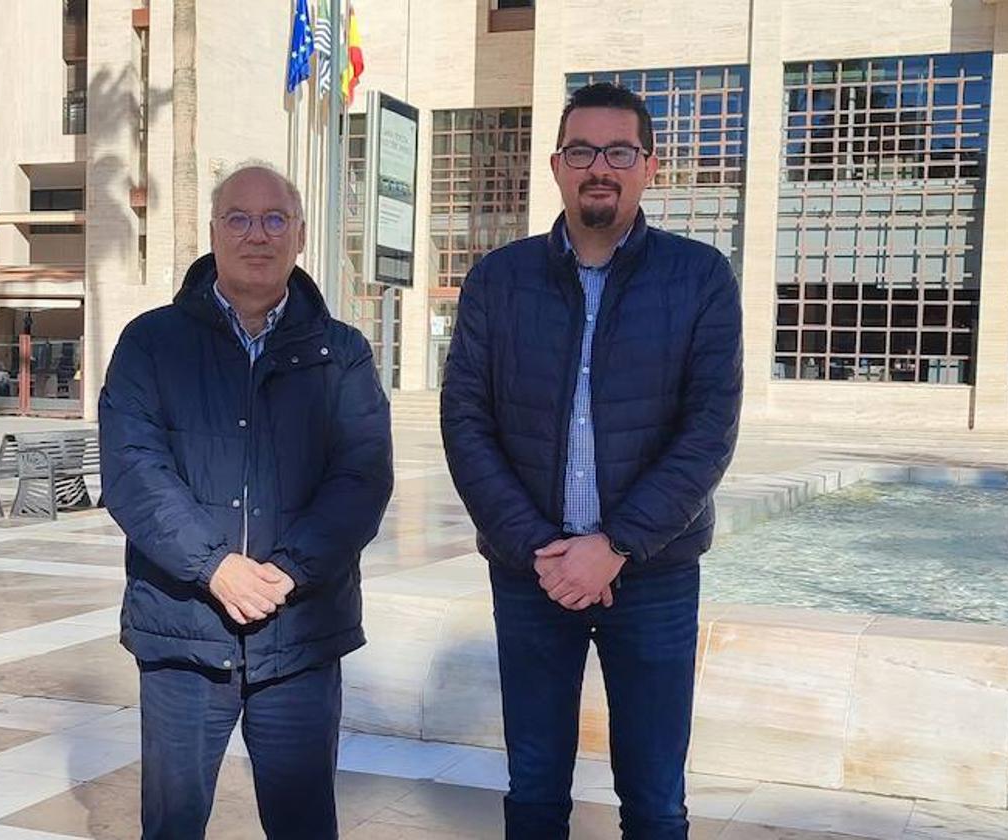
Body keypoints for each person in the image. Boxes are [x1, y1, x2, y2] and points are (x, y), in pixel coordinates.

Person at [440, 83, 744, 839]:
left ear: (650, 167)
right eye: (582, 151)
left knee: (654, 799)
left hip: (654, 574)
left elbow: (708, 431)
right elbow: (465, 421)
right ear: (556, 166)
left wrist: (613, 547)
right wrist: (539, 550)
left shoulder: (700, 278)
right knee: (535, 790)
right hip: (529, 572)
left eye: (618, 151)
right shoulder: (498, 280)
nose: (598, 167)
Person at [99, 163, 394, 840]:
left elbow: (361, 476)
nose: (255, 234)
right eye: (238, 217)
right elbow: (134, 472)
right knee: (171, 828)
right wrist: (214, 567)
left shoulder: (340, 353)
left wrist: (289, 569)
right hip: (184, 633)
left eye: (272, 220)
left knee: (303, 827)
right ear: (213, 232)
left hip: (299, 635)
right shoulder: (152, 343)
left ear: (298, 236)